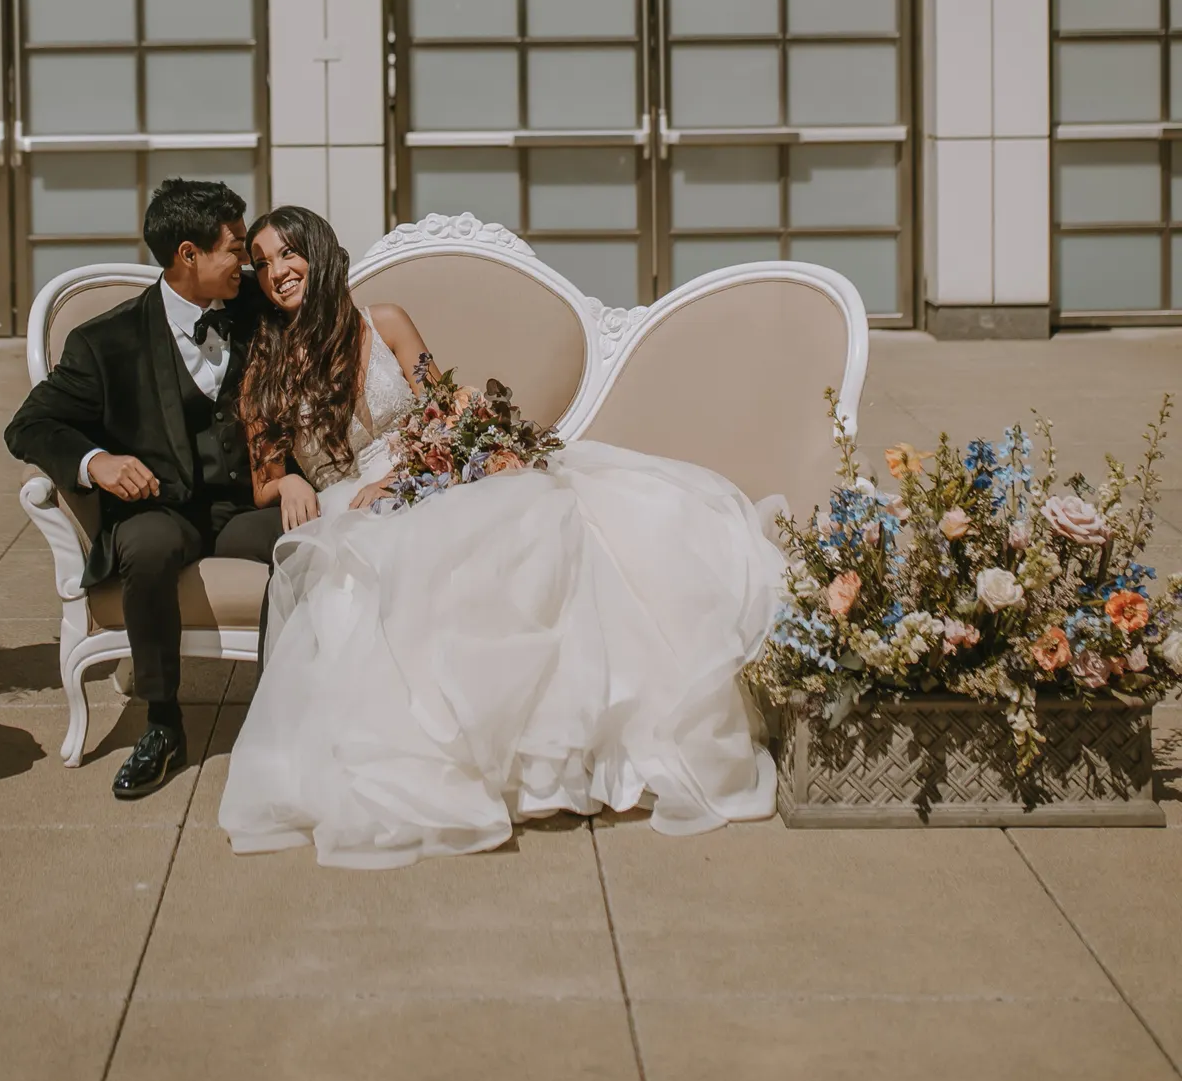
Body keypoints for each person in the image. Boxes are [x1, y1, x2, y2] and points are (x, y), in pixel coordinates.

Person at [218, 204, 785, 868]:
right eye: (262, 263)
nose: (277, 271)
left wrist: (410, 471)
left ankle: (559, 762)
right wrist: (287, 482)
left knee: (543, 513)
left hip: (429, 473)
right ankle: (457, 765)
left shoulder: (386, 321)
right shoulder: (267, 364)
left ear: (318, 251)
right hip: (351, 501)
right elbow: (264, 479)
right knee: (393, 569)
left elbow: (443, 412)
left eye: (288, 253)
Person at [3, 178, 280, 801]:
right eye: (235, 248)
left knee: (308, 535)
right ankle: (163, 723)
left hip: (246, 503)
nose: (246, 262)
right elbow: (28, 425)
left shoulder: (257, 311)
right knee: (146, 547)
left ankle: (293, 709)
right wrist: (95, 461)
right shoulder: (107, 342)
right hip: (161, 509)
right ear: (188, 254)